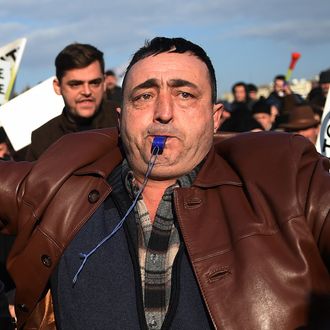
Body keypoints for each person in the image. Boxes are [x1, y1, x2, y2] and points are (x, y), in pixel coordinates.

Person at [0, 37, 330, 329]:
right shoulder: (62, 186)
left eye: (185, 94)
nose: (163, 112)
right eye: (143, 96)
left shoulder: (285, 180)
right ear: (120, 118)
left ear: (215, 118)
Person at [25, 43, 118, 161]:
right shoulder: (43, 139)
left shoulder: (125, 121)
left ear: (104, 83)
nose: (87, 91)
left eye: (94, 83)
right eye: (75, 84)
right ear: (57, 86)